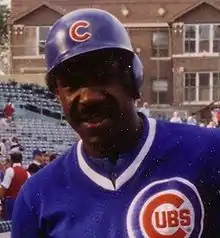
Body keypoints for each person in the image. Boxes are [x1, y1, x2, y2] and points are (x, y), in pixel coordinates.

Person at [12, 8, 220, 237]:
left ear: (133, 80)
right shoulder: (37, 196)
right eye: (72, 84)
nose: (89, 97)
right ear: (58, 96)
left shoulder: (209, 152)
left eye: (103, 76)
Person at [0, 152, 29, 220]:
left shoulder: (10, 170)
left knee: (9, 223)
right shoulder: (27, 173)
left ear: (11, 160)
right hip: (23, 201)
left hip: (11, 201)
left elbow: (4, 188)